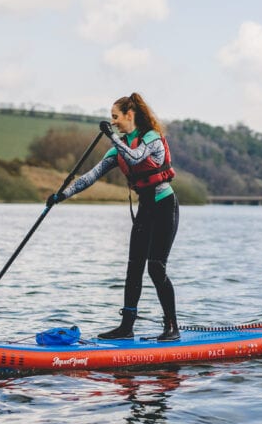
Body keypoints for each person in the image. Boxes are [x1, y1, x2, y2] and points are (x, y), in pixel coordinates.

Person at [46, 93, 180, 341]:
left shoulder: (151, 138)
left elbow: (137, 156)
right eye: (111, 118)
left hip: (164, 206)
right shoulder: (117, 149)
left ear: (130, 115)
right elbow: (89, 177)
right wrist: (61, 195)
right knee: (134, 268)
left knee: (156, 268)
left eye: (115, 116)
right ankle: (126, 327)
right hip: (146, 210)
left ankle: (172, 327)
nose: (113, 121)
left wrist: (112, 137)